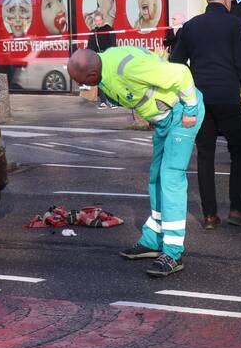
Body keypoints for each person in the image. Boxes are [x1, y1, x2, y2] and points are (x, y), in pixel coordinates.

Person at [67, 47, 203, 277]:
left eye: (84, 83)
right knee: (156, 176)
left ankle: (173, 252)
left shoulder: (127, 67)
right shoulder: (102, 68)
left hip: (183, 113)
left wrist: (190, 110)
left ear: (92, 74)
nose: (87, 88)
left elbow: (181, 74)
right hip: (164, 120)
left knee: (170, 176)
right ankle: (153, 239)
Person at [170, 0, 241, 231]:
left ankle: (209, 215)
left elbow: (175, 62)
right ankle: (237, 209)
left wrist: (192, 81)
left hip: (200, 99)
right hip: (228, 98)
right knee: (239, 151)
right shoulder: (234, 24)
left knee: (205, 155)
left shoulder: (191, 26)